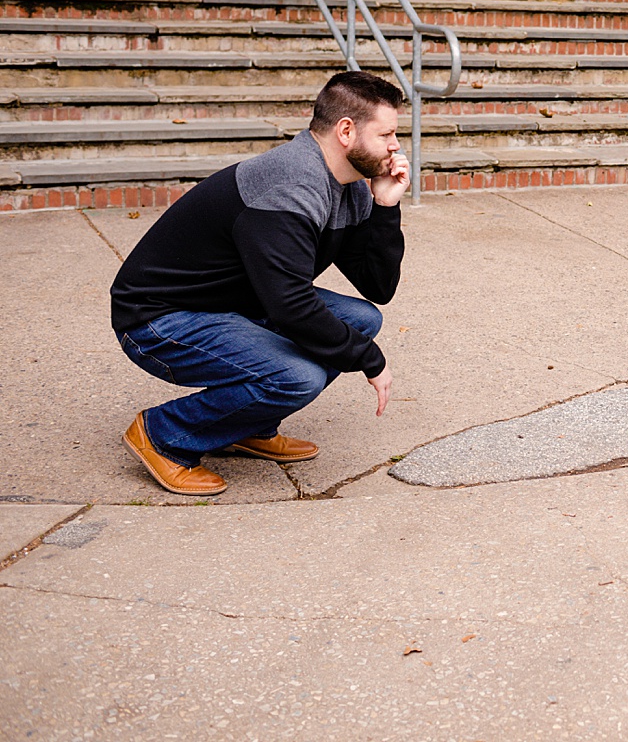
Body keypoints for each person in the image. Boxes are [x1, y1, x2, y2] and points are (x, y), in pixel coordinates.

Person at [111, 71, 410, 496]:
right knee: (297, 377)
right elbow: (291, 304)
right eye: (387, 134)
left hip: (235, 303)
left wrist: (385, 207)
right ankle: (163, 434)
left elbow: (377, 286)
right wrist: (371, 362)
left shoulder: (350, 188)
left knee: (360, 319)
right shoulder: (289, 185)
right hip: (159, 320)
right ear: (347, 130)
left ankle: (246, 425)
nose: (396, 146)